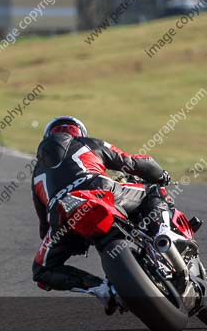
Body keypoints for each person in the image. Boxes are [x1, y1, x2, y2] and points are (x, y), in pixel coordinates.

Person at [31, 116, 176, 314]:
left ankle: (100, 289)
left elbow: (43, 224)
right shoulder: (86, 144)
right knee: (152, 191)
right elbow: (133, 162)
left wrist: (61, 238)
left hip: (62, 213)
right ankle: (163, 233)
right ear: (78, 133)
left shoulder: (37, 173)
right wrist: (161, 175)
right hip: (100, 190)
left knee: (41, 270)